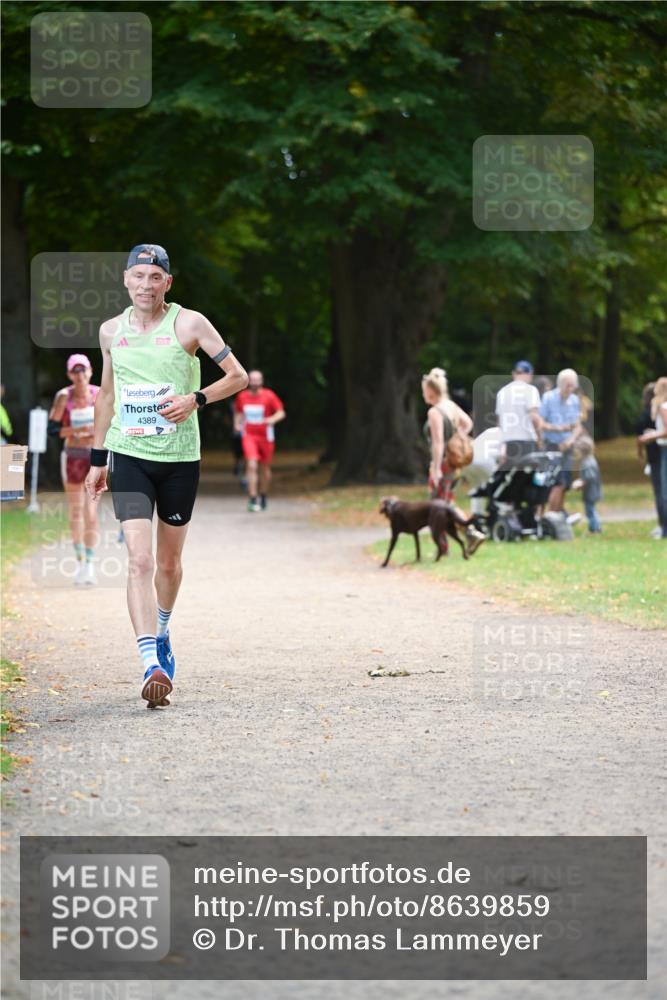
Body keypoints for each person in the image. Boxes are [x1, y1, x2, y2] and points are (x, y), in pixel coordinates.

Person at [85, 244, 248, 707]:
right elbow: (107, 396)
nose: (146, 284)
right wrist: (99, 460)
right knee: (138, 560)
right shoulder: (110, 331)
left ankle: (162, 629)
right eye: (139, 276)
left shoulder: (189, 323)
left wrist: (195, 399)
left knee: (169, 564)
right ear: (125, 279)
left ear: (167, 284)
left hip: (179, 459)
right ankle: (149, 663)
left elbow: (238, 377)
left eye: (155, 277)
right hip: (129, 456)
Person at [421, 367, 486, 555]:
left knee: (438, 507)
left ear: (431, 391)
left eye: (424, 390)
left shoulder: (435, 412)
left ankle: (447, 545)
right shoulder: (450, 405)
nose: (423, 393)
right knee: (446, 503)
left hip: (443, 463)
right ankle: (466, 536)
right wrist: (458, 438)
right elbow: (468, 423)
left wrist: (436, 468)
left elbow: (438, 443)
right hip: (455, 464)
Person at [48, 355, 100, 585]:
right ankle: (80, 562)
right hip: (72, 457)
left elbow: (113, 423)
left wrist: (95, 430)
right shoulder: (63, 396)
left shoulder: (100, 394)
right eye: (75, 371)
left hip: (94, 456)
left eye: (83, 370)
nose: (80, 375)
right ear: (69, 374)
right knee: (77, 512)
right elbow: (52, 430)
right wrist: (75, 431)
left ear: (90, 371)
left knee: (91, 512)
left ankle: (90, 563)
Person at [234, 370, 285, 512]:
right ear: (249, 381)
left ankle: (263, 495)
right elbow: (238, 412)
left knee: (265, 468)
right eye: (253, 379)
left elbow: (281, 412)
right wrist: (237, 424)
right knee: (251, 465)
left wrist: (271, 419)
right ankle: (252, 498)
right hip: (249, 435)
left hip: (266, 436)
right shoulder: (242, 396)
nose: (255, 382)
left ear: (261, 381)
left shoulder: (269, 396)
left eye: (258, 379)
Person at [540, 368, 583, 513]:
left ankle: (559, 514)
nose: (570, 389)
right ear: (560, 384)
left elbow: (577, 427)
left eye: (572, 386)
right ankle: (551, 515)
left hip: (568, 446)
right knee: (555, 483)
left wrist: (570, 440)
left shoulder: (574, 401)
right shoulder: (548, 398)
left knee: (565, 484)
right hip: (552, 445)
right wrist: (558, 428)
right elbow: (541, 424)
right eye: (567, 385)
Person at [494, 360, 542, 463]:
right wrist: (540, 439)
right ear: (529, 374)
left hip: (507, 442)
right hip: (526, 441)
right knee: (526, 478)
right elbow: (534, 417)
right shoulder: (531, 390)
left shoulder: (502, 392)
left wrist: (501, 445)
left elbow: (499, 423)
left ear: (513, 373)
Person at [638, 376, 667, 540]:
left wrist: (653, 436)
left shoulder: (663, 407)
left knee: (663, 492)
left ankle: (664, 529)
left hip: (664, 449)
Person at [572, 436, 602, 534]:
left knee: (590, 511)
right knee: (591, 510)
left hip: (591, 491)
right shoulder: (588, 460)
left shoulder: (588, 462)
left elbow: (589, 477)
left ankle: (594, 529)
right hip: (591, 491)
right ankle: (595, 527)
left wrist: (580, 483)